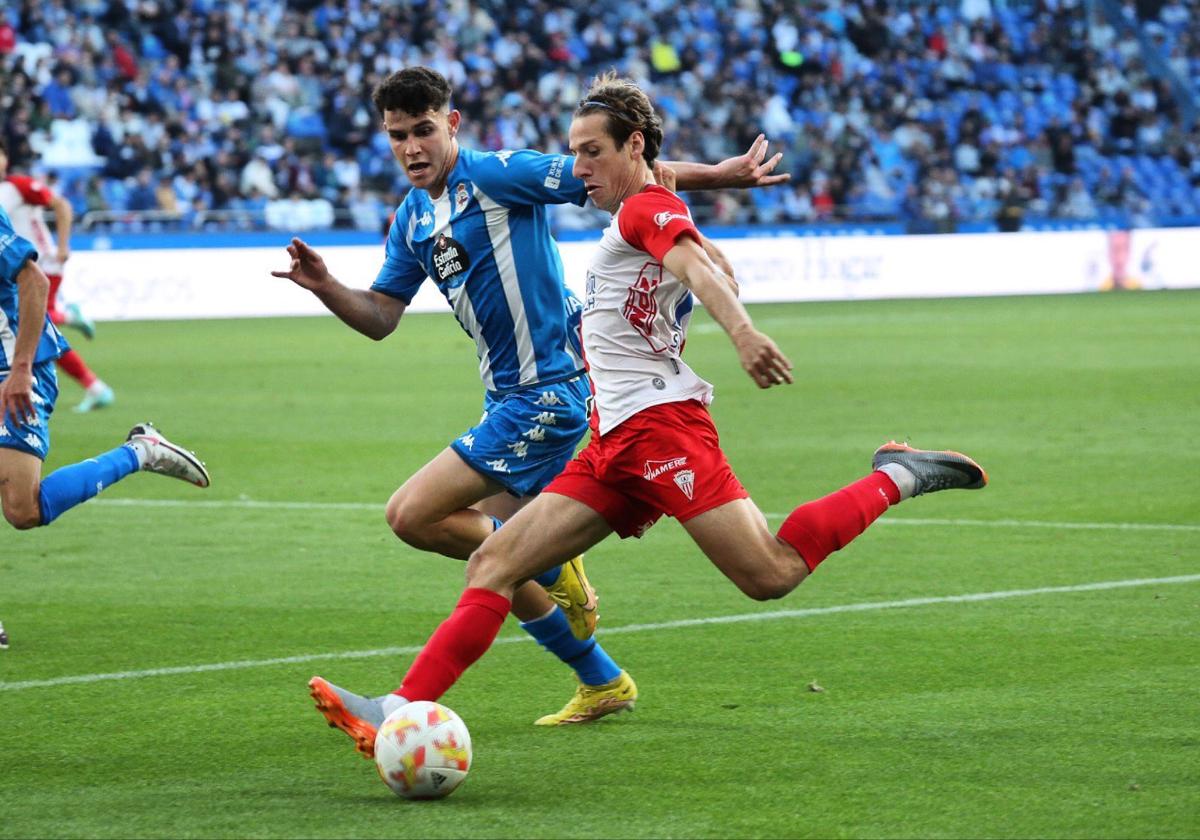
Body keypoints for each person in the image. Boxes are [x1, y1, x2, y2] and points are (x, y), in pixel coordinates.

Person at [305, 73, 989, 751]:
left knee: (769, 574)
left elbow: (692, 261)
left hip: (657, 426)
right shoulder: (614, 218)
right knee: (491, 564)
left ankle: (895, 474)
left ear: (632, 149)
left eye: (590, 154)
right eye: (573, 154)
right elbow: (686, 247)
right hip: (612, 439)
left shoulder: (627, 208)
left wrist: (744, 329)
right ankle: (398, 709)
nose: (576, 171)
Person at [276, 67, 789, 743]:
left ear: (451, 124)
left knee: (413, 515)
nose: (411, 148)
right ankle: (602, 677)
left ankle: (549, 571)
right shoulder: (411, 219)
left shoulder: (496, 176)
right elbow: (379, 316)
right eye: (398, 136)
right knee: (490, 557)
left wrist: (717, 177)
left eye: (424, 130)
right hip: (508, 397)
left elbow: (608, 173)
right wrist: (325, 287)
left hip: (552, 388)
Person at [0, 204, 211, 650]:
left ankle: (141, 451)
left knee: (23, 509)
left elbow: (34, 281)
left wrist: (20, 369)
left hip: (17, 368)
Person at [0, 140, 115, 413]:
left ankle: (71, 318)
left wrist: (63, 245)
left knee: (38, 322)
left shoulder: (18, 185)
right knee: (37, 332)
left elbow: (62, 206)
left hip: (40, 264)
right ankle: (94, 387)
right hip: (14, 269)